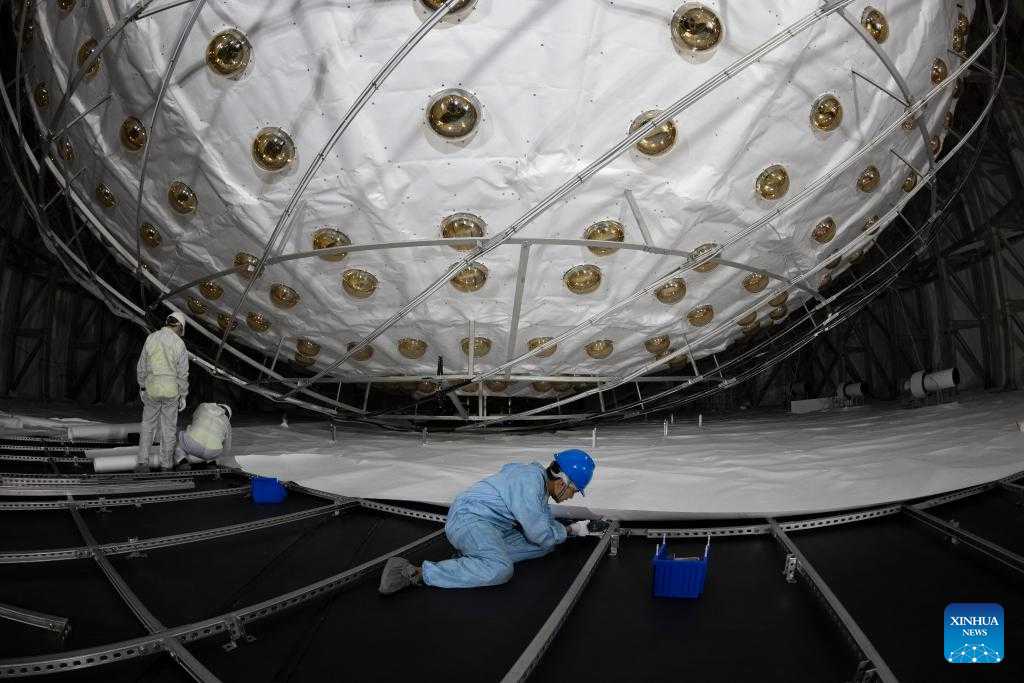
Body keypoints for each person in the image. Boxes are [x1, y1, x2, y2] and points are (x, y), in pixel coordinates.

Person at [379, 449, 602, 595]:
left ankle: (472, 559)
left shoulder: (536, 482)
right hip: (469, 521)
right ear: (563, 481)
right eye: (573, 490)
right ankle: (415, 573)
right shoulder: (529, 483)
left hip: (490, 528)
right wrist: (572, 530)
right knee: (501, 569)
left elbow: (541, 524)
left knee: (544, 547)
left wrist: (563, 530)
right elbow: (539, 531)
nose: (572, 496)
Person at [136, 312, 189, 472]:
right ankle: (166, 464)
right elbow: (183, 373)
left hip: (152, 388)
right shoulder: (179, 343)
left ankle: (142, 463)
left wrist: (142, 387)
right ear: (179, 326)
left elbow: (142, 366)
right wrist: (183, 394)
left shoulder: (151, 338)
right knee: (168, 428)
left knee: (147, 425)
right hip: (171, 390)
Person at [174, 403, 232, 469]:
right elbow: (227, 448)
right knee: (217, 450)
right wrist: (217, 456)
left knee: (178, 443)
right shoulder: (227, 423)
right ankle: (212, 463)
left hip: (192, 444)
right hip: (212, 452)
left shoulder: (204, 406)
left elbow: (194, 420)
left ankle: (182, 462)